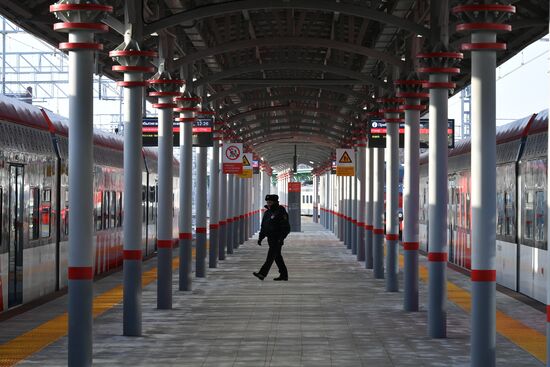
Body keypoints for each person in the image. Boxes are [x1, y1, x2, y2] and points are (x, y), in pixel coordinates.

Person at [253, 194, 291, 281]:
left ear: (275, 202)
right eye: (267, 202)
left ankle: (262, 274)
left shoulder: (281, 211)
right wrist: (260, 237)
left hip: (277, 239)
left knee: (270, 257)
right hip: (270, 239)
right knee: (277, 257)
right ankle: (284, 275)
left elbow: (286, 227)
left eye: (270, 202)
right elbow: (264, 227)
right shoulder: (267, 213)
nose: (268, 204)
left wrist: (281, 238)